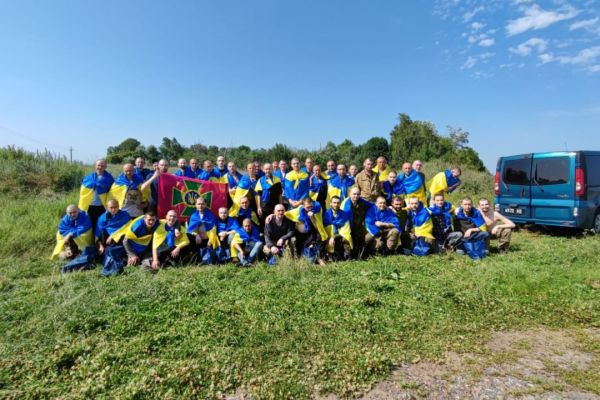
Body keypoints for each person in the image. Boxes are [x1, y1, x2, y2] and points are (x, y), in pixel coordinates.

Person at [285, 197, 327, 265]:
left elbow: (317, 228)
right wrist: (273, 215)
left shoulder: (317, 210)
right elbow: (287, 213)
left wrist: (312, 218)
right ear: (303, 206)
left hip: (315, 231)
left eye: (311, 206)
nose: (310, 209)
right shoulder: (300, 210)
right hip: (303, 233)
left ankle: (320, 258)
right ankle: (299, 256)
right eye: (307, 207)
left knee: (319, 237)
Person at [78, 159, 114, 232]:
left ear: (105, 167)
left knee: (103, 225)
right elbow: (83, 191)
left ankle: (101, 238)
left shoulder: (109, 178)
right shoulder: (88, 178)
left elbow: (112, 192)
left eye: (102, 166)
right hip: (90, 206)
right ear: (95, 166)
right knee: (91, 224)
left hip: (103, 206)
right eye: (98, 165)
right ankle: (92, 238)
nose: (100, 167)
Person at [341, 187, 373, 259]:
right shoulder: (346, 206)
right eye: (354, 194)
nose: (356, 196)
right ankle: (348, 257)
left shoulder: (361, 201)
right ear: (350, 194)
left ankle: (365, 254)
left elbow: (372, 205)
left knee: (370, 235)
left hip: (358, 227)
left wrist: (386, 207)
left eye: (358, 194)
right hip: (347, 228)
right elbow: (343, 223)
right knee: (346, 239)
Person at [323, 196, 353, 260]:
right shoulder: (326, 214)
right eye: (334, 203)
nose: (336, 205)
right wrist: (330, 237)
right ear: (330, 203)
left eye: (338, 203)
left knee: (346, 238)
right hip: (328, 236)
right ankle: (329, 255)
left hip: (340, 235)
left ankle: (347, 257)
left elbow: (346, 231)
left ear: (340, 204)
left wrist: (334, 237)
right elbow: (325, 229)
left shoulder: (344, 215)